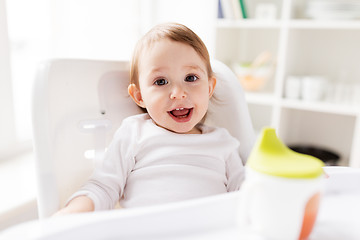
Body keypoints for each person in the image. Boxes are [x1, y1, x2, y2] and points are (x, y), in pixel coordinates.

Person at [55, 22, 244, 215]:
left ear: (210, 88)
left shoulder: (223, 142)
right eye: (161, 81)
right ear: (139, 96)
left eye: (191, 78)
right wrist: (72, 213)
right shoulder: (134, 133)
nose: (178, 93)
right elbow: (104, 186)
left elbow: (244, 193)